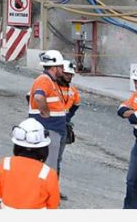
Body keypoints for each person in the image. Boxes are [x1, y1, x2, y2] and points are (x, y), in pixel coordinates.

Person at [0, 118, 60, 209]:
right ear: (43, 148)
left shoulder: (5, 164)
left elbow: (0, 194)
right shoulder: (48, 174)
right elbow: (53, 204)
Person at [28, 49, 68, 176]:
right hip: (49, 128)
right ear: (54, 67)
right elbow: (38, 97)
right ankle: (46, 194)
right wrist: (45, 112)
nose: (63, 69)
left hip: (53, 128)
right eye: (61, 66)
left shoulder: (51, 81)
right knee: (49, 166)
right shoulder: (44, 80)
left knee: (51, 164)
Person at [56, 59, 80, 200]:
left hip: (63, 128)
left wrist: (68, 116)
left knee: (57, 160)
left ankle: (53, 189)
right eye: (66, 74)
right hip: (50, 127)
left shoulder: (72, 91)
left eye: (71, 75)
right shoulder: (51, 87)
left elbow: (76, 104)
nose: (69, 77)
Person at [118, 66, 137, 209]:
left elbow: (133, 118)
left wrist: (133, 113)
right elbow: (120, 110)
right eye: (136, 81)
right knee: (131, 182)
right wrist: (134, 113)